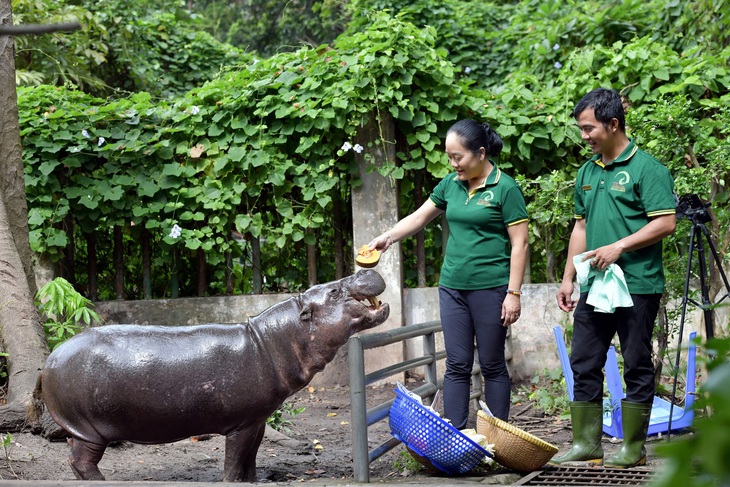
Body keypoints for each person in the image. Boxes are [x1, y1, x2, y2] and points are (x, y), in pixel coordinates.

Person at [368, 119, 529, 427]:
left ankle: (496, 438)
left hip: (491, 288)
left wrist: (513, 293)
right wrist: (387, 237)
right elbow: (419, 217)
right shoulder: (450, 184)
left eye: (459, 157)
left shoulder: (505, 188)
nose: (453, 163)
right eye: (449, 156)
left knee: (493, 364)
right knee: (456, 363)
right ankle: (455, 434)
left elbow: (520, 244)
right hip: (452, 287)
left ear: (481, 153)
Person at [553, 88, 676, 468]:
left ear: (613, 123)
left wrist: (620, 246)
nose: (584, 136)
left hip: (637, 283)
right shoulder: (586, 173)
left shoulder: (647, 169)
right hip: (594, 285)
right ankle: (587, 444)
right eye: (581, 129)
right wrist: (568, 277)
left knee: (636, 360)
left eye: (589, 129)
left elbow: (665, 222)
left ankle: (633, 448)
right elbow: (581, 227)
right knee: (584, 360)